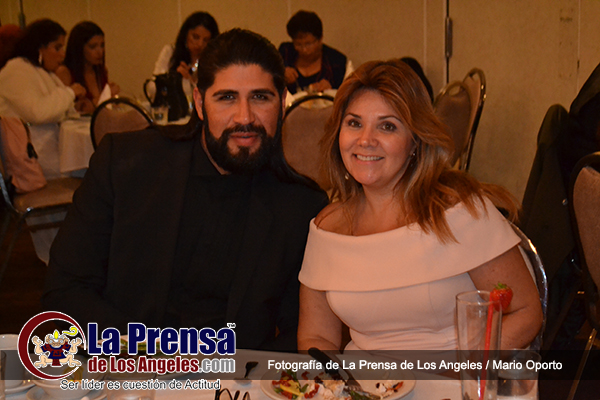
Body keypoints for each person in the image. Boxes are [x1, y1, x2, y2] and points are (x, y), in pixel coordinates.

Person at [43, 29, 327, 352]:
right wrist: (148, 355)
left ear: (282, 103)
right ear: (199, 103)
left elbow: (302, 332)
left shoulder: (301, 206)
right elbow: (66, 289)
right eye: (227, 97)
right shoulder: (126, 165)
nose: (245, 117)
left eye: (261, 97)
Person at [297, 59, 543, 352]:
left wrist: (457, 372)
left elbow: (525, 313)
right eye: (354, 123)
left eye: (387, 126)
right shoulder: (327, 229)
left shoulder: (460, 213)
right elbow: (317, 338)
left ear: (415, 141)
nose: (365, 140)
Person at [0, 18, 86, 179]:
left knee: (98, 165)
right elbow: (38, 112)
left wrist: (72, 105)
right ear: (40, 47)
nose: (62, 54)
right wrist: (69, 93)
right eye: (57, 47)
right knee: (94, 169)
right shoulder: (16, 70)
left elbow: (53, 109)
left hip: (48, 151)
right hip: (34, 158)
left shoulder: (41, 71)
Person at [278, 10, 352, 95]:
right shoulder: (285, 53)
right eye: (298, 44)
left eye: (308, 44)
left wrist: (331, 90)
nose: (304, 49)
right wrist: (280, 75)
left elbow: (348, 94)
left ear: (320, 39)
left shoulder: (336, 61)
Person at [56, 21, 120, 114]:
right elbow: (64, 110)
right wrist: (105, 96)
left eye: (102, 45)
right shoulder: (65, 72)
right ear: (79, 48)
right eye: (93, 47)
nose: (100, 52)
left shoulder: (101, 71)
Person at [153, 11, 219, 85]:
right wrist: (174, 78)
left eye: (205, 40)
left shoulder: (213, 61)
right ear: (186, 34)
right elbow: (154, 84)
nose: (200, 44)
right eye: (195, 37)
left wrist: (191, 81)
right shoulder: (170, 52)